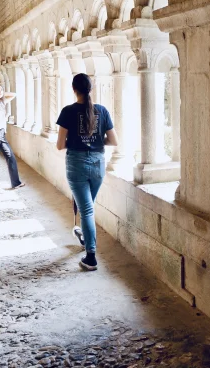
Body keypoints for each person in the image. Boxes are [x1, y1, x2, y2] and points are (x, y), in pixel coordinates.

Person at [56, 73, 118, 271]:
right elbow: (114, 141)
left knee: (87, 210)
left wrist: (76, 141)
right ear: (90, 88)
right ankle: (84, 234)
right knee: (88, 207)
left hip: (77, 163)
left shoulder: (68, 111)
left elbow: (59, 145)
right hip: (98, 163)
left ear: (74, 89)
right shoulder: (102, 110)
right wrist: (96, 142)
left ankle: (91, 256)